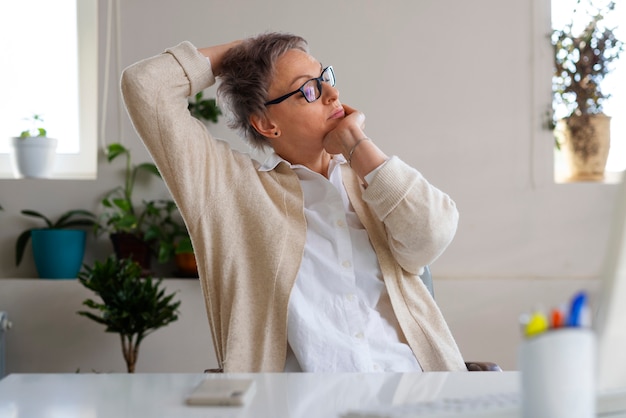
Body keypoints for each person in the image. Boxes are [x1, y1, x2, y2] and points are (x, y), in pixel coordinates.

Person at [121, 32, 466, 373]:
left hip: (414, 393)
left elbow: (431, 235)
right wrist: (244, 52)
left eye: (325, 78)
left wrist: (356, 143)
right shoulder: (231, 189)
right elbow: (145, 87)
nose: (332, 94)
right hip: (302, 405)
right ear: (266, 124)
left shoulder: (374, 184)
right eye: (309, 89)